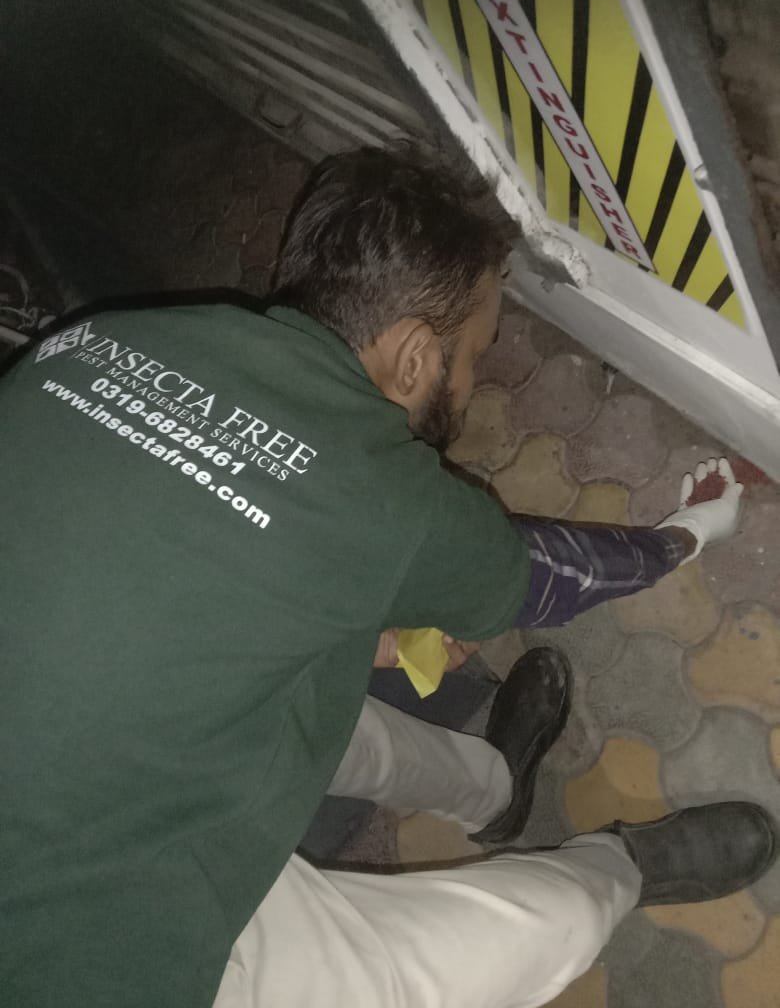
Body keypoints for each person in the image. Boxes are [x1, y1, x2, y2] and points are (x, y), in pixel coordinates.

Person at [0, 143, 775, 1008]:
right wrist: (687, 536)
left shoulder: (89, 344)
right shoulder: (381, 495)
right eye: (475, 353)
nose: (473, 380)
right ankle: (618, 869)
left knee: (342, 719)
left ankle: (496, 790)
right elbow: (550, 574)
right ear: (413, 360)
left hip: (74, 760)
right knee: (538, 926)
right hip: (122, 957)